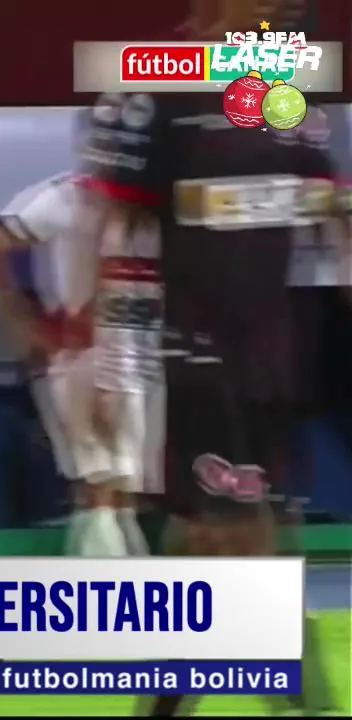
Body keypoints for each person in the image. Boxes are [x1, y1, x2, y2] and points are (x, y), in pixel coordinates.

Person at [75, 1, 340, 714]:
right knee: (228, 530)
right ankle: (294, 692)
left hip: (273, 351)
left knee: (232, 528)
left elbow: (326, 202)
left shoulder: (287, 87)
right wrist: (109, 353)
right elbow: (119, 227)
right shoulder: (153, 89)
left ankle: (201, 695)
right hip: (195, 345)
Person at [0, 163, 156, 559]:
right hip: (82, 357)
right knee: (98, 489)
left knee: (124, 493)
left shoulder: (160, 199)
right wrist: (24, 325)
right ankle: (102, 588)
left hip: (148, 358)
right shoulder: (65, 196)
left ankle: (120, 581)